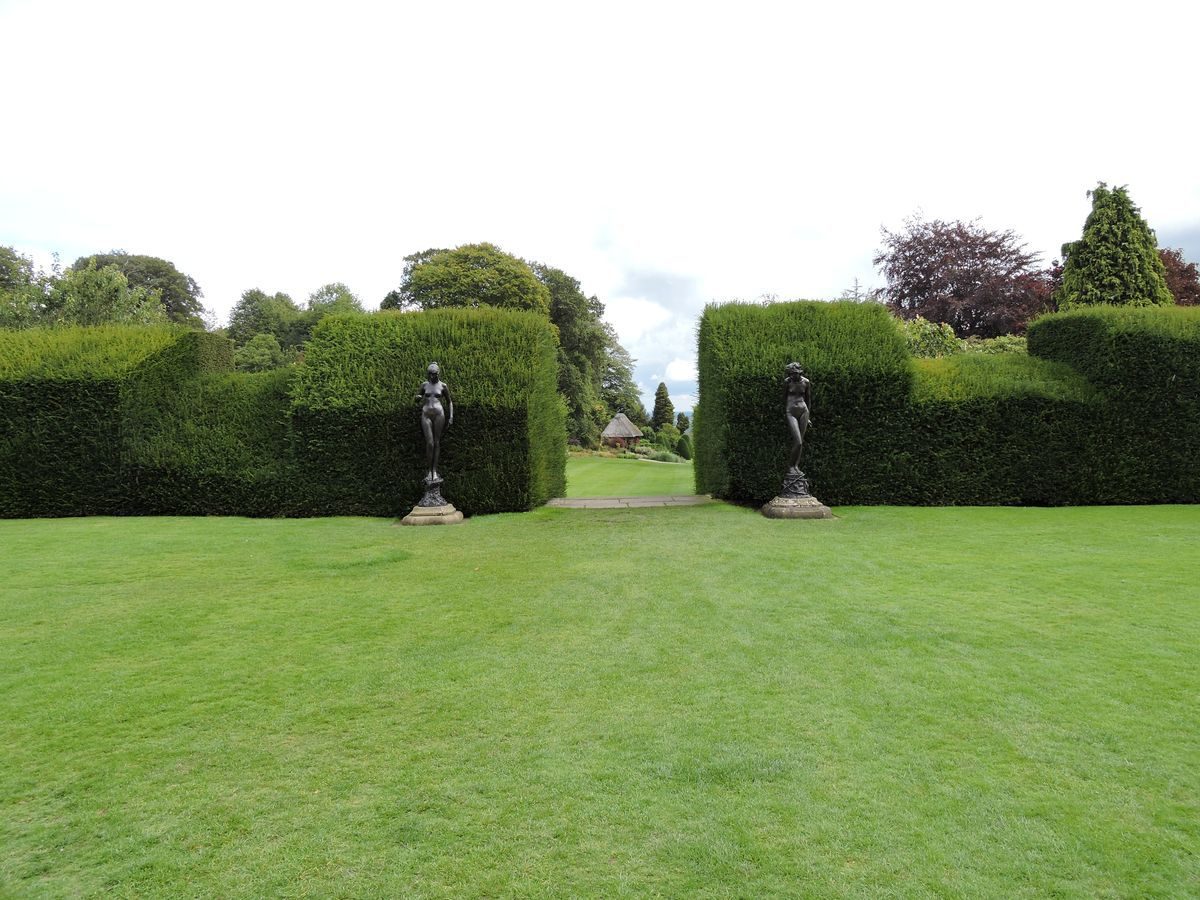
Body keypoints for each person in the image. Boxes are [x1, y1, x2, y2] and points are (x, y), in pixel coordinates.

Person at [417, 362, 453, 481]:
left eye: (434, 374)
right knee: (430, 443)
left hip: (439, 414)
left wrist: (451, 416)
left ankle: (434, 471)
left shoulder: (443, 386)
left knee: (437, 442)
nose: (432, 376)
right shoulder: (424, 385)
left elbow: (449, 401)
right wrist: (417, 398)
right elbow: (418, 397)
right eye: (430, 374)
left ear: (438, 373)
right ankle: (429, 470)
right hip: (426, 414)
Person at [784, 361, 812, 472]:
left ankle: (796, 466)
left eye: (793, 373)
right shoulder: (787, 382)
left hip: (804, 411)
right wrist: (786, 411)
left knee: (801, 442)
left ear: (799, 372)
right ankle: (791, 466)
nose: (791, 376)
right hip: (791, 411)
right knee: (798, 441)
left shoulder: (806, 382)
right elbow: (784, 397)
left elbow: (808, 399)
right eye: (790, 374)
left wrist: (808, 415)